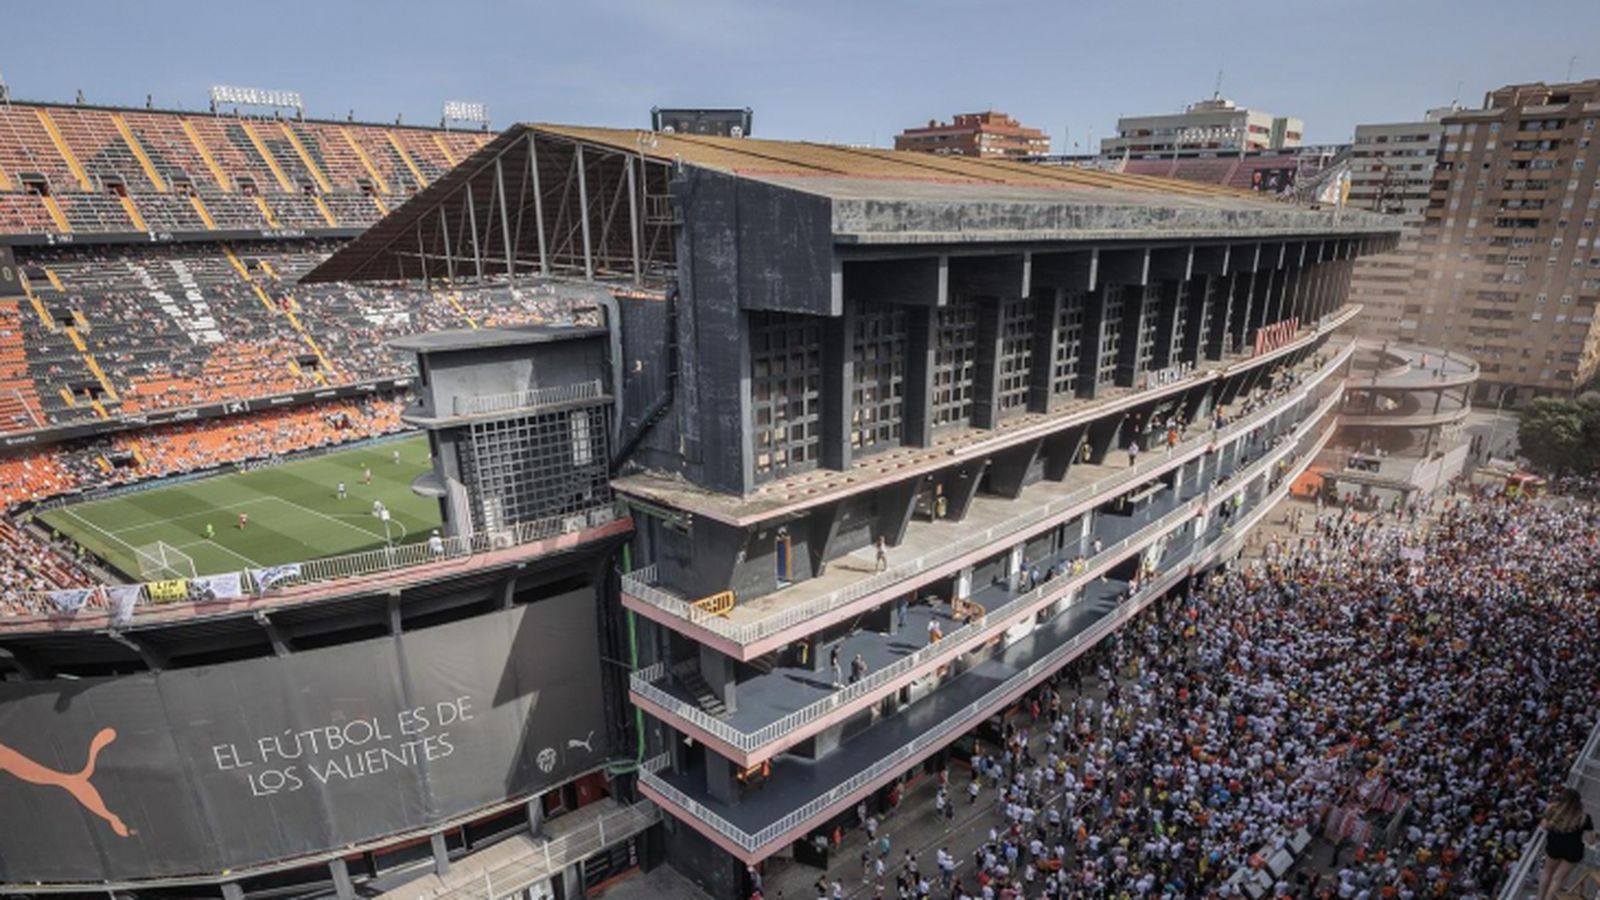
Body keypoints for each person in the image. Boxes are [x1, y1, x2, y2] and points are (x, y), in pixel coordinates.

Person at [1538, 786, 1595, 900]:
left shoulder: (1552, 809)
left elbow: (1543, 826)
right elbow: (1590, 840)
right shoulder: (1584, 817)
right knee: (1558, 879)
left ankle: (1539, 898)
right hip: (1574, 851)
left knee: (1547, 873)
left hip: (1555, 846)